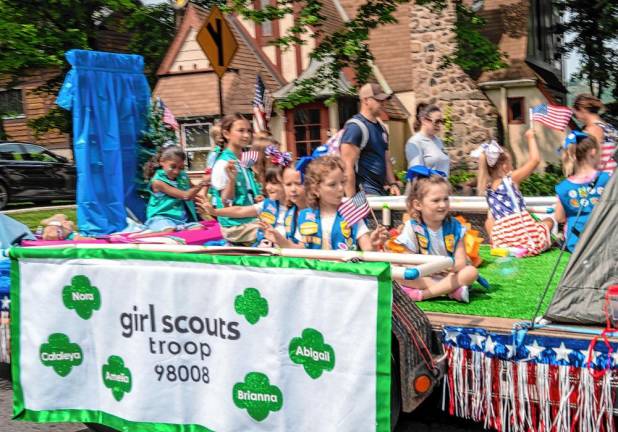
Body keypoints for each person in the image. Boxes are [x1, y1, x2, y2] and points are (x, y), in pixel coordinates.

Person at [393, 166, 477, 302]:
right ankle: (450, 291)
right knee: (395, 272)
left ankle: (422, 295)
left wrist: (446, 268)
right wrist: (429, 270)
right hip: (424, 275)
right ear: (418, 204)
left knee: (471, 272)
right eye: (436, 200)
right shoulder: (412, 226)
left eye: (446, 199)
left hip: (449, 274)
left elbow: (461, 261)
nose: (443, 205)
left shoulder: (455, 226)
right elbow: (407, 261)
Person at [270, 156, 388, 250]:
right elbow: (301, 250)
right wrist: (281, 241)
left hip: (345, 274)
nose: (341, 188)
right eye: (333, 185)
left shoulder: (352, 211)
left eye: (342, 182)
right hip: (318, 276)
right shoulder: (305, 216)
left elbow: (367, 248)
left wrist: (373, 244)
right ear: (315, 190)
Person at [474, 131, 552, 256]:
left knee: (489, 220)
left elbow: (491, 220)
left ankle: (497, 245)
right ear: (504, 166)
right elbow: (535, 160)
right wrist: (531, 138)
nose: (513, 167)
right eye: (511, 164)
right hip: (525, 238)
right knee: (549, 221)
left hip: (504, 239)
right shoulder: (510, 180)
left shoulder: (488, 190)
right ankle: (531, 243)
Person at [340, 83, 401, 197]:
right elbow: (347, 166)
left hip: (381, 192)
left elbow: (386, 159)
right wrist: (352, 202)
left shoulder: (382, 128)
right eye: (379, 100)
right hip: (364, 194)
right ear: (366, 100)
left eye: (383, 100)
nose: (383, 103)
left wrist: (393, 183)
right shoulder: (355, 127)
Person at [554, 131, 610, 252]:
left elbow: (559, 218)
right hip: (604, 240)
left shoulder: (563, 187)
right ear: (593, 152)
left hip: (575, 243)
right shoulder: (607, 179)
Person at [210, 113, 262, 244]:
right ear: (227, 134)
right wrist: (231, 180)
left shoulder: (246, 158)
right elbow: (226, 202)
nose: (246, 135)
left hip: (252, 217)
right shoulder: (222, 164)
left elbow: (251, 188)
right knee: (276, 232)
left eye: (249, 131)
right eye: (241, 131)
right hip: (235, 226)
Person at [143, 146, 208, 232]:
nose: (176, 171)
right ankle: (141, 236)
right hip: (160, 219)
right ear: (162, 162)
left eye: (180, 168)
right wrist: (202, 183)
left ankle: (178, 231)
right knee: (169, 230)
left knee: (200, 228)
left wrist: (207, 183)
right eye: (173, 166)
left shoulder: (183, 176)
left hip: (181, 221)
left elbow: (195, 193)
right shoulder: (157, 182)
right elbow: (186, 196)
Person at [572, 94, 617, 175]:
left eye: (576, 113)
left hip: (601, 181)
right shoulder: (608, 127)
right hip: (612, 177)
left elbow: (592, 159)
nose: (576, 117)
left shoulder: (592, 129)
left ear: (582, 109)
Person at [405, 103, 450, 175]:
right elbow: (416, 171)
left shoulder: (438, 141)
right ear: (424, 120)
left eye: (442, 121)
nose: (439, 125)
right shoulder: (415, 142)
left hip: (442, 185)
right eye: (437, 121)